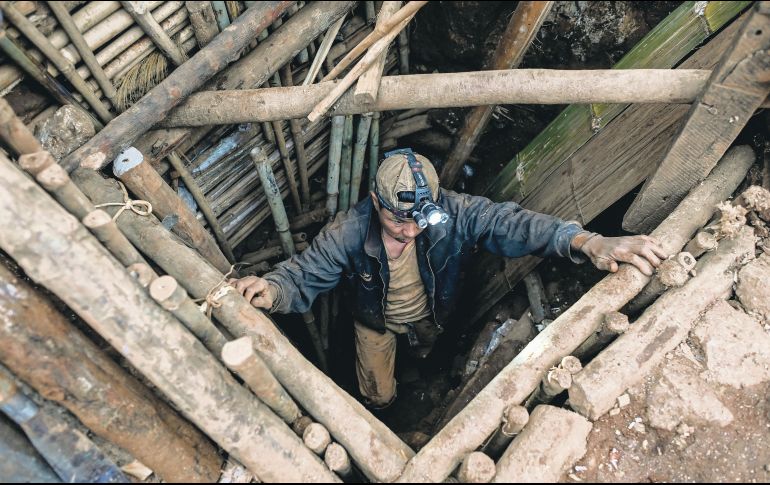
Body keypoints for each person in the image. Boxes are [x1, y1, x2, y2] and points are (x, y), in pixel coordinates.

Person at [230, 148, 666, 409]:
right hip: (374, 322)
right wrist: (272, 289)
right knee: (377, 393)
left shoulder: (454, 213)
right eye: (397, 220)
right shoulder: (347, 231)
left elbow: (511, 223)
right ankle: (386, 411)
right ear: (375, 202)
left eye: (420, 220)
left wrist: (585, 241)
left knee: (428, 357)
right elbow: (305, 274)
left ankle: (420, 374)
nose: (410, 231)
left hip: (432, 315)